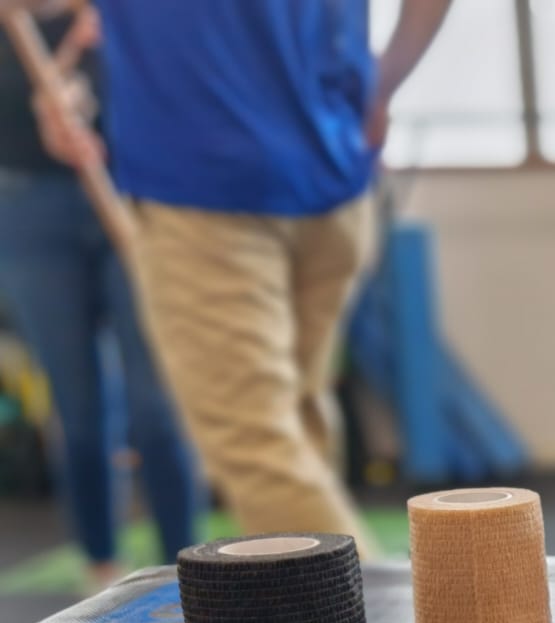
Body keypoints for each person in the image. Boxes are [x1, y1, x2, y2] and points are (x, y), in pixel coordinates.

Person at [35, 0, 456, 556]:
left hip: (204, 186)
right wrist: (382, 84)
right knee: (296, 424)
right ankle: (315, 607)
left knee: (258, 446)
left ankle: (365, 609)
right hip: (331, 169)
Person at [0, 2, 197, 586]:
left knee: (156, 408)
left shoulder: (120, 15)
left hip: (130, 195)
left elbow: (173, 96)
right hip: (28, 208)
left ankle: (187, 567)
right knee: (79, 411)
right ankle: (101, 568)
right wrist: (50, 105)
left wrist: (86, 94)